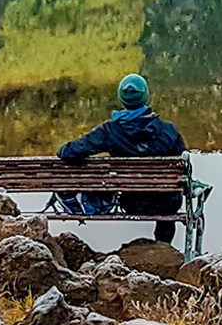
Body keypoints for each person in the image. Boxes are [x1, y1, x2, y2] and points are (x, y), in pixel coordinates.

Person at [58, 73, 187, 242]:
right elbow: (183, 166)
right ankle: (164, 247)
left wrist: (62, 148)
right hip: (167, 204)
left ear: (121, 99)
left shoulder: (110, 131)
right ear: (146, 96)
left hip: (132, 202)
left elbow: (68, 153)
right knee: (167, 199)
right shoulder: (169, 131)